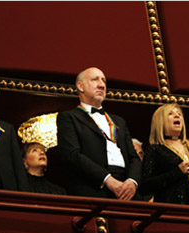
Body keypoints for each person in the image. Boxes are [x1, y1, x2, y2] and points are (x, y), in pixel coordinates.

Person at [56, 67, 141, 199]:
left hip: (126, 189)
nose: (101, 85)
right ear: (80, 86)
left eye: (104, 81)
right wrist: (107, 179)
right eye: (95, 79)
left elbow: (134, 157)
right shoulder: (68, 117)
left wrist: (132, 182)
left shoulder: (119, 121)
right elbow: (72, 155)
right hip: (93, 189)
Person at [140, 104, 189, 206]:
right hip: (173, 213)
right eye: (170, 114)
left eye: (179, 114)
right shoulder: (155, 150)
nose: (177, 116)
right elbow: (145, 187)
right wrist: (178, 171)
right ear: (160, 122)